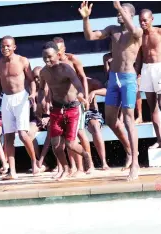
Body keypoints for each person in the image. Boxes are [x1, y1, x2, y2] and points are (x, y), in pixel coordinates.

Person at [79, 1, 142, 180]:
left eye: (123, 12)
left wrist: (120, 7)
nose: (118, 14)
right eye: (118, 12)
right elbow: (90, 36)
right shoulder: (112, 29)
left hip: (128, 78)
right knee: (111, 120)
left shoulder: (137, 32)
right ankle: (129, 150)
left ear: (130, 15)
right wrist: (86, 19)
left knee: (129, 119)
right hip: (113, 78)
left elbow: (133, 30)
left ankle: (135, 163)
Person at [38, 41, 92, 181]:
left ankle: (86, 155)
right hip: (56, 109)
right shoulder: (44, 72)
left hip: (72, 108)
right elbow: (41, 89)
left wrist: (81, 95)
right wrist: (41, 101)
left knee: (70, 144)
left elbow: (78, 85)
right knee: (56, 145)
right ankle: (66, 168)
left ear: (58, 54)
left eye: (50, 56)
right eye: (44, 58)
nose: (47, 60)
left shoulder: (66, 69)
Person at [0, 36, 38, 180]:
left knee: (23, 134)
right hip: (6, 99)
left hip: (21, 98)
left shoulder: (23, 60)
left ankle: (35, 163)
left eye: (8, 46)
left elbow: (31, 80)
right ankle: (12, 171)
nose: (5, 49)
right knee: (8, 136)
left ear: (14, 47)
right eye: (2, 46)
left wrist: (33, 93)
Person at [52, 37, 95, 176]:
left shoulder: (72, 60)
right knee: (68, 137)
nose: (57, 53)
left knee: (80, 133)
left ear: (63, 49)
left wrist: (86, 96)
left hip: (76, 101)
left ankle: (87, 165)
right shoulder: (53, 65)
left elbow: (83, 77)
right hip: (62, 104)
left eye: (59, 50)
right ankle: (74, 167)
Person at [138, 9, 161, 149]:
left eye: (145, 20)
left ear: (152, 19)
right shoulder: (139, 36)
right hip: (146, 69)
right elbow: (140, 56)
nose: (142, 23)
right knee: (152, 107)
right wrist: (138, 73)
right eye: (140, 20)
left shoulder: (159, 32)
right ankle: (159, 140)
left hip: (159, 68)